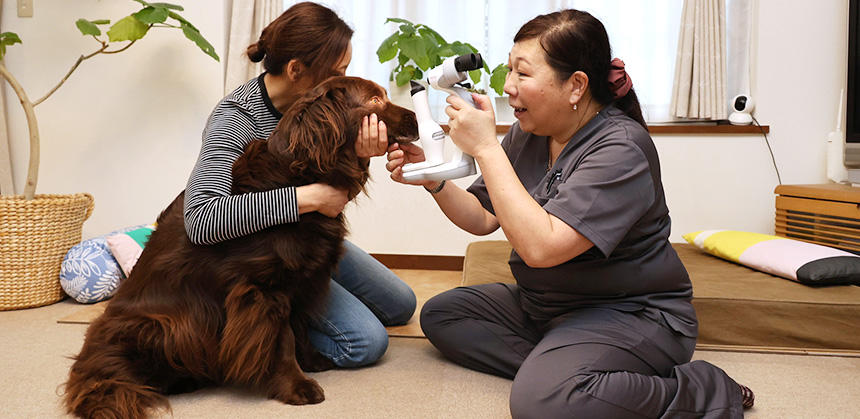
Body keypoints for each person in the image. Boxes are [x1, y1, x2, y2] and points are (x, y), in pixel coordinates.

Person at [386, 9, 754, 418]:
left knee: (540, 402)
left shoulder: (620, 149)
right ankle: (567, 368)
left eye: (522, 74)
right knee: (444, 314)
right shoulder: (530, 133)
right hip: (547, 307)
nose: (508, 87)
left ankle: (704, 390)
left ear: (576, 85)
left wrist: (487, 149)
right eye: (510, 70)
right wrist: (434, 180)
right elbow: (482, 217)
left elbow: (541, 249)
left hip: (630, 313)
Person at [184, 1, 416, 368]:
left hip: (303, 240)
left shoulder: (324, 112)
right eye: (336, 71)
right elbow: (201, 220)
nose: (342, 81)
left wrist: (360, 157)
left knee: (401, 304)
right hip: (260, 261)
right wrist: (307, 197)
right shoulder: (236, 120)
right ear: (296, 70)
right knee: (365, 343)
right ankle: (259, 346)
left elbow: (332, 201)